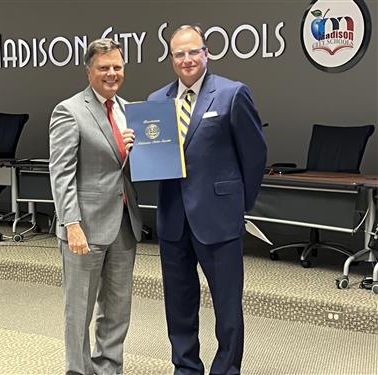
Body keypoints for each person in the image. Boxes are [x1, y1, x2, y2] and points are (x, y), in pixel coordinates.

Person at [124, 25, 267, 374]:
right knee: (179, 302)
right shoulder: (157, 101)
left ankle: (226, 369)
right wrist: (135, 149)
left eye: (193, 52)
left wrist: (239, 206)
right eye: (179, 54)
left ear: (206, 53)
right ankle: (186, 366)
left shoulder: (232, 94)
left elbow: (254, 155)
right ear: (171, 58)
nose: (186, 59)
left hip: (219, 218)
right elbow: (154, 159)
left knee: (227, 305)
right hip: (173, 217)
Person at [49, 38, 142, 375]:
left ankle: (108, 368)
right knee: (79, 310)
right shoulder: (69, 110)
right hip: (84, 228)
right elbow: (61, 173)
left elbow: (126, 169)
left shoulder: (128, 110)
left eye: (117, 66)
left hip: (123, 224)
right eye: (104, 67)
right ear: (89, 71)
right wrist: (71, 224)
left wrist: (139, 152)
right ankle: (77, 370)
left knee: (117, 308)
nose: (112, 73)